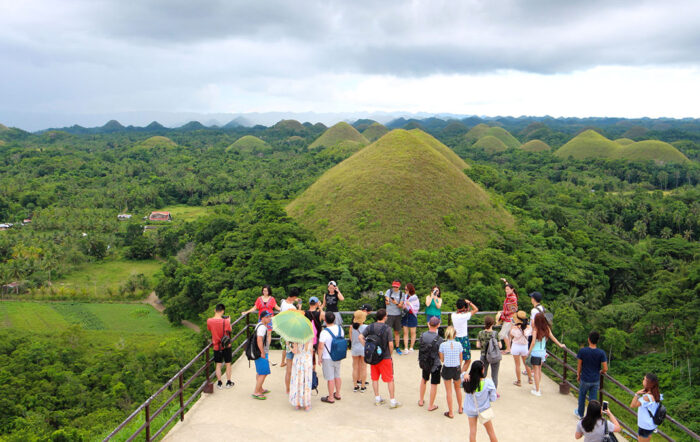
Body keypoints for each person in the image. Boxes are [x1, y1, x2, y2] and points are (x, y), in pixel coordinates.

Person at [359, 308, 401, 408]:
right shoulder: (387, 328)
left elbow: (360, 337)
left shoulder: (370, 326)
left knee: (374, 378)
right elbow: (391, 345)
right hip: (385, 357)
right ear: (384, 317)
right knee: (390, 379)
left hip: (373, 357)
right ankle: (392, 401)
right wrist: (390, 355)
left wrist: (367, 347)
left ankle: (377, 399)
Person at [528, 312, 566, 396]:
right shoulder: (547, 329)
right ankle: (537, 387)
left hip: (535, 352)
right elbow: (553, 338)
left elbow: (533, 342)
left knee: (535, 371)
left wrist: (528, 352)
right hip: (543, 353)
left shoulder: (535, 330)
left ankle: (537, 390)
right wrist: (560, 345)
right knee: (539, 370)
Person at [241, 285, 281, 364]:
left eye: (266, 290)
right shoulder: (259, 299)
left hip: (269, 319)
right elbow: (254, 308)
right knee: (261, 334)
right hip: (261, 319)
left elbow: (277, 307)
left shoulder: (272, 299)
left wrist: (285, 310)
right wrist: (246, 312)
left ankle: (266, 348)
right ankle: (261, 347)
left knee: (269, 333)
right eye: (264, 290)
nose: (265, 292)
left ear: (269, 291)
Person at [462, 360, 498, 442]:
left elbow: (461, 374)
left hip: (471, 410)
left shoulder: (468, 381)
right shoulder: (488, 382)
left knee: (472, 432)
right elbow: (493, 398)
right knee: (490, 432)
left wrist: (465, 374)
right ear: (482, 370)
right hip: (484, 410)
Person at [575, 331, 608, 419]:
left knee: (582, 396)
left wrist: (578, 374)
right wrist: (601, 371)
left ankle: (580, 414)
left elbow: (579, 365)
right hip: (595, 380)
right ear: (597, 341)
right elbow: (605, 368)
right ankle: (591, 416)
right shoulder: (601, 353)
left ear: (589, 339)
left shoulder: (583, 351)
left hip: (585, 378)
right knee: (593, 400)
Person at [418, 316, 443, 411]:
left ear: (429, 324)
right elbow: (440, 353)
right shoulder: (439, 339)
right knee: (434, 384)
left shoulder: (422, 335)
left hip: (425, 361)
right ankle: (431, 405)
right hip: (435, 363)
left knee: (424, 379)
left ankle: (421, 400)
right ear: (438, 325)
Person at [318, 311, 343, 403]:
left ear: (325, 320)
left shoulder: (324, 332)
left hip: (327, 356)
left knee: (330, 377)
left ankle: (331, 397)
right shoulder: (340, 329)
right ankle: (338, 394)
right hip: (338, 355)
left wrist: (319, 358)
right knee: (337, 375)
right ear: (334, 319)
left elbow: (321, 347)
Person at [206, 303, 233, 389]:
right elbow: (230, 330)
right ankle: (228, 382)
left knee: (218, 364)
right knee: (228, 364)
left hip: (217, 346)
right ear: (223, 311)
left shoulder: (209, 321)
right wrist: (229, 321)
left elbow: (209, 329)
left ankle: (219, 383)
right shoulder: (226, 321)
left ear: (215, 310)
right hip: (226, 346)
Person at [630, 373, 663, 441]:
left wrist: (637, 394)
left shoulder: (647, 397)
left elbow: (632, 405)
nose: (643, 380)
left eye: (644, 379)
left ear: (649, 383)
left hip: (644, 426)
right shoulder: (656, 393)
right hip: (651, 424)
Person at [439, 326, 463, 419]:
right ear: (455, 334)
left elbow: (442, 359)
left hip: (447, 368)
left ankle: (451, 412)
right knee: (458, 389)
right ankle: (460, 408)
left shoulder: (442, 345)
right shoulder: (459, 344)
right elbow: (461, 359)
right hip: (456, 368)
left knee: (449, 391)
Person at [452, 298, 478, 372]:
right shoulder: (465, 316)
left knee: (457, 360)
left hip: (455, 338)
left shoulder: (453, 315)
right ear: (464, 307)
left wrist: (465, 307)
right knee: (468, 360)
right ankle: (461, 374)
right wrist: (469, 302)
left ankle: (456, 375)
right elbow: (476, 309)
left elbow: (461, 312)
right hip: (464, 339)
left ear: (456, 306)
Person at [280, 288, 301, 376]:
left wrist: (294, 299)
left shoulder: (283, 302)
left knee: (285, 347)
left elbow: (287, 300)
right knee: (291, 350)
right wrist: (299, 306)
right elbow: (298, 315)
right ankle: (291, 366)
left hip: (283, 329)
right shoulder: (292, 307)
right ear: (295, 296)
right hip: (290, 331)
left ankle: (283, 362)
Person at [476, 316, 501, 389]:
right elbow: (500, 346)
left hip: (484, 355)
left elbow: (478, 345)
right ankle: (494, 392)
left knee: (482, 374)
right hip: (494, 356)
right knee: (494, 375)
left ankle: (480, 389)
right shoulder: (495, 333)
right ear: (492, 323)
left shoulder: (480, 333)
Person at [252, 311, 273, 400]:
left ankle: (260, 388)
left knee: (260, 372)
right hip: (261, 353)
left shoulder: (259, 325)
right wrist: (262, 352)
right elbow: (259, 340)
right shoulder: (262, 328)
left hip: (258, 352)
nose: (269, 318)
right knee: (264, 373)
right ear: (263, 318)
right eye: (267, 317)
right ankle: (257, 392)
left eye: (270, 316)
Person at [289, 340, 314, 410]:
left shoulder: (296, 337)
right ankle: (307, 404)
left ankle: (297, 403)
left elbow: (294, 351)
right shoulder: (310, 336)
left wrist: (288, 345)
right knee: (307, 381)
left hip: (298, 359)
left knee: (297, 381)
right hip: (307, 359)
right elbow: (311, 350)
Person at [510, 311, 532, 387]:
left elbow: (511, 335)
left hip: (516, 346)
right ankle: (530, 379)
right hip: (524, 347)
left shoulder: (514, 327)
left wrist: (512, 325)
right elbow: (528, 334)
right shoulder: (529, 327)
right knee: (526, 364)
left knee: (517, 365)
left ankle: (519, 381)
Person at [384, 280, 406, 355]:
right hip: (389, 314)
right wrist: (387, 301)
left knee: (397, 332)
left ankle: (397, 347)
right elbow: (386, 299)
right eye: (394, 286)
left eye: (396, 287)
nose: (394, 288)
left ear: (399, 286)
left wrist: (395, 302)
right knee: (387, 331)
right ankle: (387, 347)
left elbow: (401, 305)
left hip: (397, 314)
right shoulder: (389, 291)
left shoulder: (401, 294)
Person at [497, 279, 518, 355]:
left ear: (512, 290)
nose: (506, 291)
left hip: (509, 318)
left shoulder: (512, 298)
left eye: (508, 289)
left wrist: (504, 313)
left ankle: (508, 349)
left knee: (502, 334)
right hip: (508, 318)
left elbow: (514, 309)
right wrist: (505, 282)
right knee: (508, 334)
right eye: (505, 289)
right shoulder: (509, 295)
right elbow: (508, 288)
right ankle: (508, 349)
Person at [350, 310, 369, 392]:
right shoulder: (366, 327)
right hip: (363, 348)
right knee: (364, 367)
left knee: (355, 367)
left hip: (354, 348)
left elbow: (351, 339)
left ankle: (355, 385)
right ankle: (363, 385)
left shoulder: (351, 327)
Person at [401, 283, 420, 353]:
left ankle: (411, 347)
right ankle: (406, 348)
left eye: (406, 289)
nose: (405, 290)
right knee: (405, 332)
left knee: (413, 332)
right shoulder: (405, 296)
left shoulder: (415, 297)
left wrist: (410, 305)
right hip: (405, 315)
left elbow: (417, 307)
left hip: (412, 315)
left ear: (410, 289)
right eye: (405, 289)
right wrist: (404, 306)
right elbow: (403, 304)